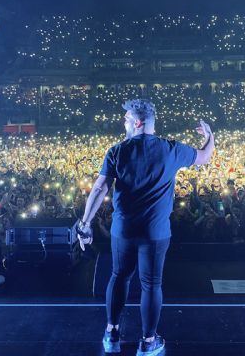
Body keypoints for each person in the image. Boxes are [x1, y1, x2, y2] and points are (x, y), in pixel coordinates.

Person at [76, 99, 215, 355]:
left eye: (127, 119)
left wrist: (85, 224)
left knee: (119, 276)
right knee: (151, 284)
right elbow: (205, 156)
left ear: (137, 123)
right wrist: (210, 136)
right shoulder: (171, 149)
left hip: (124, 230)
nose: (124, 122)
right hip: (156, 232)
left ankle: (112, 334)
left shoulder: (117, 151)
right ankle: (149, 342)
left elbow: (99, 188)